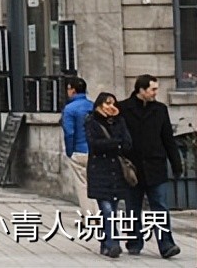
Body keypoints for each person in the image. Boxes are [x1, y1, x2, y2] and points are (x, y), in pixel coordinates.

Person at [118, 74, 183, 259]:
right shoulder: (123, 108)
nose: (156, 93)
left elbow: (168, 139)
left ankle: (166, 244)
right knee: (132, 207)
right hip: (133, 167)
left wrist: (176, 164)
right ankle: (134, 241)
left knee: (160, 207)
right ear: (141, 90)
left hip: (156, 166)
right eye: (153, 89)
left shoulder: (160, 110)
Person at [86, 92, 132, 259]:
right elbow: (95, 145)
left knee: (112, 208)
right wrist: (116, 143)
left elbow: (127, 143)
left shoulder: (120, 121)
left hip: (117, 171)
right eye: (107, 103)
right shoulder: (92, 121)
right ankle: (113, 244)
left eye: (113, 103)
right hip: (99, 170)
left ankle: (106, 243)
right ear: (99, 105)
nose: (110, 107)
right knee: (107, 209)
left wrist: (117, 132)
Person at [62, 76, 97, 216]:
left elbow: (69, 132)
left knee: (82, 186)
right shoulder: (93, 106)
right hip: (95, 150)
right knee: (95, 184)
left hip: (79, 150)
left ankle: (89, 216)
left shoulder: (69, 109)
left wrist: (70, 152)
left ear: (72, 90)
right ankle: (99, 215)